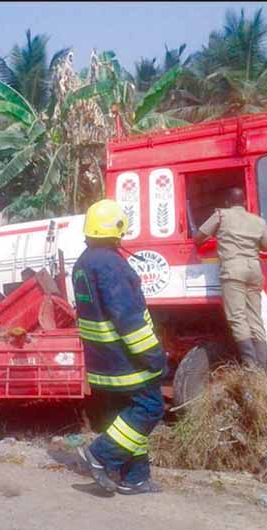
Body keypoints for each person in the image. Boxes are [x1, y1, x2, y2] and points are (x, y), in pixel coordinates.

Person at [72, 199, 168, 495]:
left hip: (102, 362)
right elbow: (128, 320)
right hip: (125, 362)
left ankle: (135, 477)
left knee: (124, 418)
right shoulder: (111, 264)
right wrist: (154, 357)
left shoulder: (84, 263)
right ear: (116, 230)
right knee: (149, 408)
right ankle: (101, 455)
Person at [193, 187, 267, 371]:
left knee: (237, 317)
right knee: (255, 317)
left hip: (233, 270)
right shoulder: (258, 221)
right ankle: (263, 367)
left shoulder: (221, 215)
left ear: (228, 203)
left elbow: (198, 238)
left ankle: (250, 365)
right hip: (254, 270)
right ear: (244, 203)